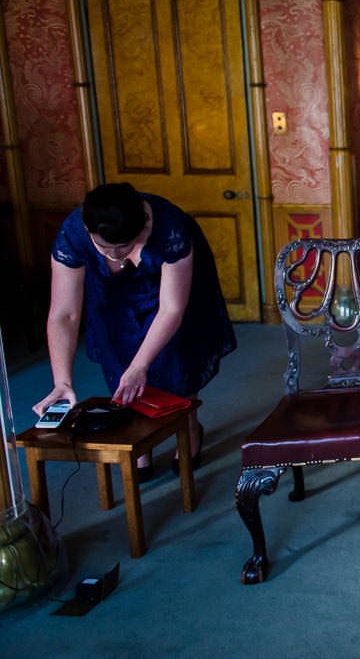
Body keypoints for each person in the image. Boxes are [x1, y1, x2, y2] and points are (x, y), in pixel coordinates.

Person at [33, 182, 236, 480]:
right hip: (113, 297)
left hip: (171, 290)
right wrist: (62, 381)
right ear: (88, 232)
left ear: (142, 227)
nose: (115, 256)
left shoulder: (171, 229)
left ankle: (189, 426)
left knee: (178, 358)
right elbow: (64, 313)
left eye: (124, 247)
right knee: (119, 356)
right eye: (105, 248)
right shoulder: (72, 234)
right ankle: (139, 439)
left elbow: (171, 309)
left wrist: (140, 366)